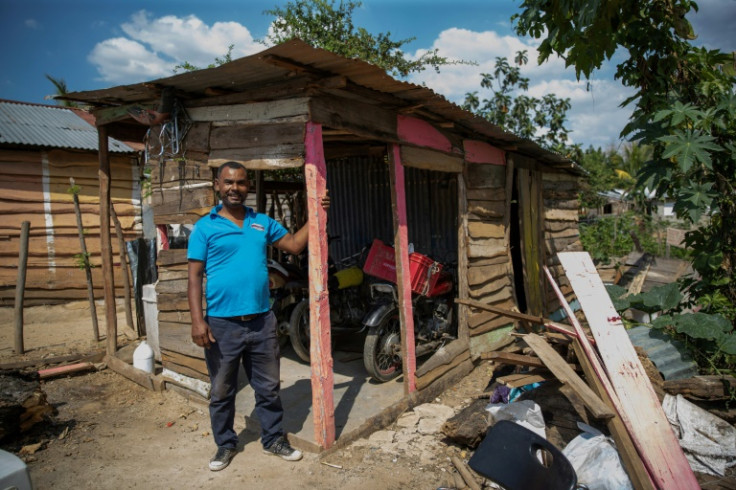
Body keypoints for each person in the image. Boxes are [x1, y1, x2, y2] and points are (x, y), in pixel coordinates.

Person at [187, 161, 328, 471]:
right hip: (222, 324)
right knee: (222, 389)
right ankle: (225, 444)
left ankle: (273, 439)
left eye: (240, 183)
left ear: (247, 187)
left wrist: (317, 214)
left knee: (268, 387)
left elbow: (292, 245)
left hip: (262, 321)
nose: (234, 188)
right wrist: (198, 320)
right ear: (217, 186)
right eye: (228, 182)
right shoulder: (205, 227)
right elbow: (194, 277)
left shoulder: (261, 222)